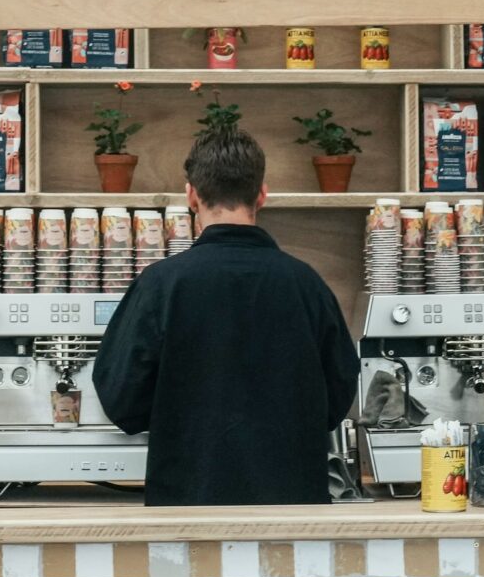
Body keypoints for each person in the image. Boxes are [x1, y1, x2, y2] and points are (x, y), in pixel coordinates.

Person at [94, 127, 359, 505]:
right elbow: (338, 395)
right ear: (261, 194)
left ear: (191, 195)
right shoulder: (307, 284)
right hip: (293, 510)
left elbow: (121, 400)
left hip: (187, 506)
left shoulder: (160, 285)